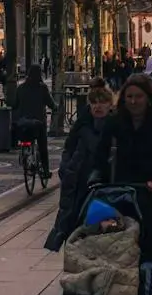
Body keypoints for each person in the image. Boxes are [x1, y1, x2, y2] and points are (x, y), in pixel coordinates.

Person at [91, 73, 152, 276]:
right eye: (129, 97)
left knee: (146, 254)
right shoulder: (113, 125)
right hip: (117, 199)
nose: (133, 101)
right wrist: (97, 180)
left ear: (148, 99)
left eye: (138, 96)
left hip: (149, 202)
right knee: (115, 252)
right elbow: (99, 159)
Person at [46, 85, 118, 251]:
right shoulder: (81, 125)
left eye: (102, 102)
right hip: (78, 186)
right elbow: (68, 148)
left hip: (104, 188)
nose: (98, 106)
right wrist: (66, 169)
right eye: (94, 102)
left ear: (110, 104)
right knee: (77, 236)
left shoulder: (116, 127)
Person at [11, 63, 54, 174]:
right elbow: (50, 103)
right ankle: (45, 170)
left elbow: (15, 104)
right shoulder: (42, 88)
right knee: (42, 145)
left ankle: (25, 156)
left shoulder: (21, 88)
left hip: (23, 121)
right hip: (39, 122)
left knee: (25, 138)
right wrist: (56, 107)